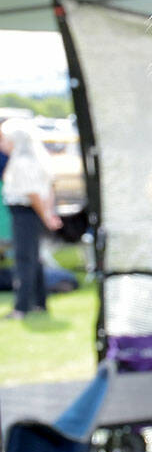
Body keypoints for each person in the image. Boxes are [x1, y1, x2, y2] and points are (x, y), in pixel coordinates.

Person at [2, 120, 62, 319]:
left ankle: (22, 307)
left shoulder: (22, 162)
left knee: (24, 259)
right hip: (30, 213)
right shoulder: (31, 160)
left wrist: (46, 215)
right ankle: (39, 302)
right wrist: (47, 213)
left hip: (25, 213)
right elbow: (47, 189)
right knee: (34, 258)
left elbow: (33, 193)